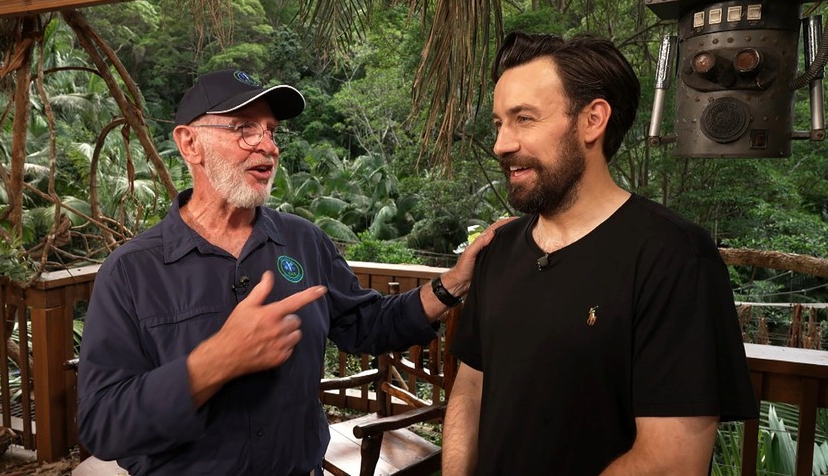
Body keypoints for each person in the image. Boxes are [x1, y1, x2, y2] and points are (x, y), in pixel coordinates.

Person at [76, 68, 502, 476]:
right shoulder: (131, 271)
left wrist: (453, 283)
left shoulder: (304, 241)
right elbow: (103, 426)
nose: (268, 146)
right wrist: (213, 363)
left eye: (272, 131)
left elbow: (366, 324)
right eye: (245, 128)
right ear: (190, 144)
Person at [442, 33, 758, 475]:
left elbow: (671, 462)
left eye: (524, 119)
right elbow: (471, 388)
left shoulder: (675, 258)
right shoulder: (499, 250)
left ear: (592, 120)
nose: (501, 144)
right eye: (499, 123)